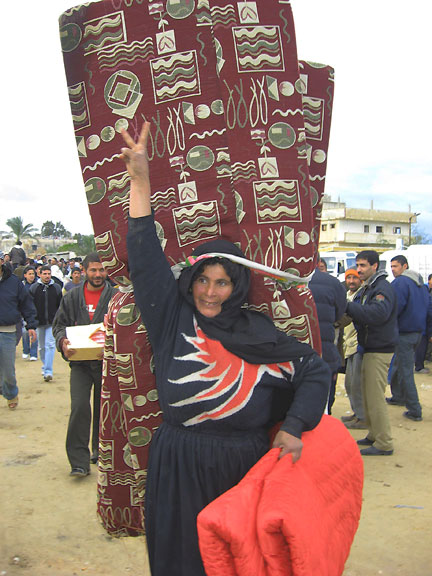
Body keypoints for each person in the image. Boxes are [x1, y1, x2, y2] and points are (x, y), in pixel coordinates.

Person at [122, 123, 330, 576]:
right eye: (203, 280)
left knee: (240, 563)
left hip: (243, 465)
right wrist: (141, 181)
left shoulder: (260, 333)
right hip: (179, 461)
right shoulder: (172, 318)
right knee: (181, 561)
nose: (210, 293)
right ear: (190, 282)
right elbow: (143, 256)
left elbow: (315, 369)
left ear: (237, 288)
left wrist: (294, 425)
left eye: (222, 282)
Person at [52, 253, 117, 478]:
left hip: (106, 364)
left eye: (101, 270)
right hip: (79, 363)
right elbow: (59, 326)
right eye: (93, 270)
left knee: (105, 409)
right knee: (80, 407)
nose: (98, 275)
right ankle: (79, 461)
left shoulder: (116, 297)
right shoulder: (71, 297)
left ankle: (101, 452)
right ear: (84, 271)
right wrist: (63, 343)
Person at [346, 251, 398, 456]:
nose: (359, 270)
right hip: (369, 348)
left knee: (376, 398)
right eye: (357, 265)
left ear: (375, 266)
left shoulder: (381, 288)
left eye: (363, 266)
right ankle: (374, 434)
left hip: (379, 349)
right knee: (367, 396)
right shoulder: (370, 287)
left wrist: (348, 307)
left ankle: (384, 443)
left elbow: (378, 314)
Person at [386, 255, 432, 421]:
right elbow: (428, 309)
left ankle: (414, 409)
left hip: (404, 332)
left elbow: (394, 308)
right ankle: (397, 396)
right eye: (391, 266)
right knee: (399, 364)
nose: (393, 269)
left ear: (405, 266)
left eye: (396, 266)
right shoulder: (420, 284)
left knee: (406, 371)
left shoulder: (400, 283)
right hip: (418, 333)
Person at [0, 250, 37, 409]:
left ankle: (11, 392)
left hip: (8, 331)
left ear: (2, 261)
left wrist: (31, 325)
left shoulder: (14, 282)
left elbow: (26, 304)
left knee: (8, 371)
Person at [309, 262, 347, 413]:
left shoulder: (285, 279)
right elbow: (339, 313)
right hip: (324, 351)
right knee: (324, 400)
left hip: (293, 354)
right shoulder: (333, 283)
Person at [340, 269, 365, 428]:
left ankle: (363, 418)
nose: (351, 281)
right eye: (348, 278)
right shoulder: (347, 296)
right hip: (348, 344)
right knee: (349, 383)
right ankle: (357, 413)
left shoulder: (361, 296)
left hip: (357, 344)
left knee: (356, 384)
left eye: (354, 278)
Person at [29, 265, 63, 381]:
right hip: (39, 322)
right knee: (41, 347)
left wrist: (60, 319)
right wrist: (32, 321)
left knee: (50, 345)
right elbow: (30, 306)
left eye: (49, 274)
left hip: (52, 323)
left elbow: (60, 306)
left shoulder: (57, 288)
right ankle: (45, 366)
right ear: (40, 274)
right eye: (44, 274)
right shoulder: (34, 288)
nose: (47, 276)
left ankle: (48, 371)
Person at [21, 265, 38, 361]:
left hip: (36, 312)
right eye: (29, 274)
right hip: (24, 313)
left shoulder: (38, 285)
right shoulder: (22, 286)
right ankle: (26, 350)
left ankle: (34, 353)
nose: (32, 276)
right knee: (24, 332)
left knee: (35, 333)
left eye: (33, 274)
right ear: (25, 275)